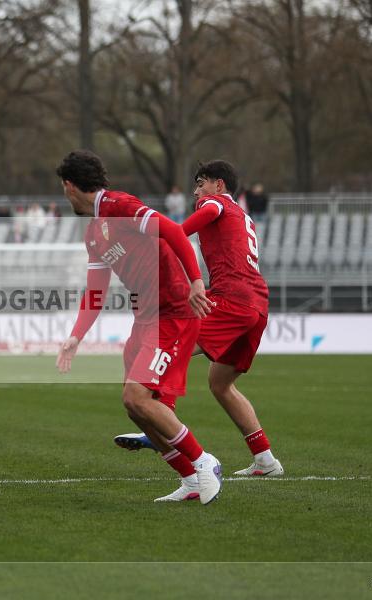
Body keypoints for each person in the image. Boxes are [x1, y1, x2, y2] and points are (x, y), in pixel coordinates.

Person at [54, 150, 223, 505]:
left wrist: (195, 281)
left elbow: (173, 232)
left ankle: (205, 462)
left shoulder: (119, 206)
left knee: (137, 396)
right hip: (145, 319)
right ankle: (190, 479)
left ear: (70, 186)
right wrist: (75, 336)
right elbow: (95, 292)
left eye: (63, 189)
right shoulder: (94, 234)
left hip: (173, 311)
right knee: (135, 406)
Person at [115, 160, 283, 478]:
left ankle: (160, 424)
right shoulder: (242, 215)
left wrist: (169, 235)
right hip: (256, 305)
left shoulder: (215, 203)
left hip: (232, 300)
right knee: (220, 384)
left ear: (219, 185)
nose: (196, 191)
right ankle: (265, 459)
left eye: (201, 183)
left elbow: (192, 224)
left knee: (172, 342)